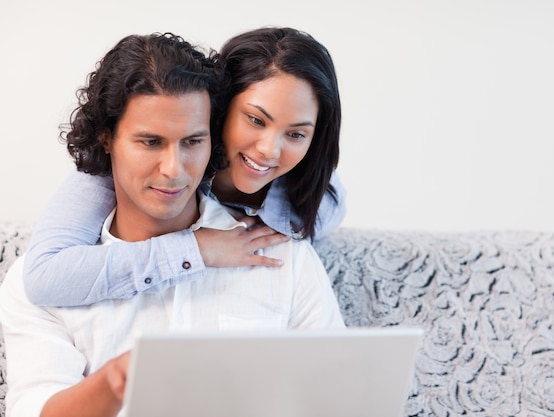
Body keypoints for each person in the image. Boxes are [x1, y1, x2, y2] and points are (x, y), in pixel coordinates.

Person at [0, 31, 345, 417]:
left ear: (211, 135)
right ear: (107, 138)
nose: (174, 170)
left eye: (192, 141)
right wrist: (113, 381)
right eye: (150, 142)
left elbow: (338, 397)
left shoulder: (284, 249)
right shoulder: (42, 277)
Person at [23, 27, 346, 307]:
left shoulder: (314, 196)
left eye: (296, 133)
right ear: (217, 108)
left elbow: (324, 212)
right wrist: (195, 248)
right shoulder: (115, 169)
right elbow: (44, 277)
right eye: (255, 120)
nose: (268, 150)